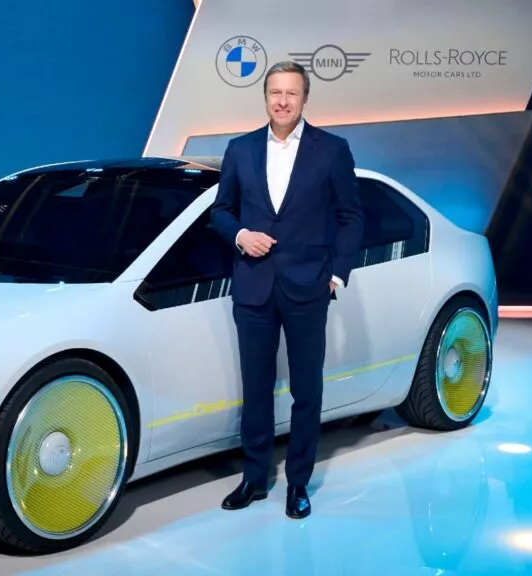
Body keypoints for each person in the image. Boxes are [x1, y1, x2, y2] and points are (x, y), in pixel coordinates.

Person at [210, 61, 364, 518]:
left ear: (304, 99)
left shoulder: (332, 150)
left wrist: (336, 275)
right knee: (256, 389)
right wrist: (241, 235)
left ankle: (298, 482)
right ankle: (254, 479)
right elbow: (221, 211)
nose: (282, 101)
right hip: (253, 287)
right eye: (275, 92)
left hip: (308, 286)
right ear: (265, 97)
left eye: (291, 93)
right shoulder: (240, 149)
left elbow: (351, 217)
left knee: (306, 390)